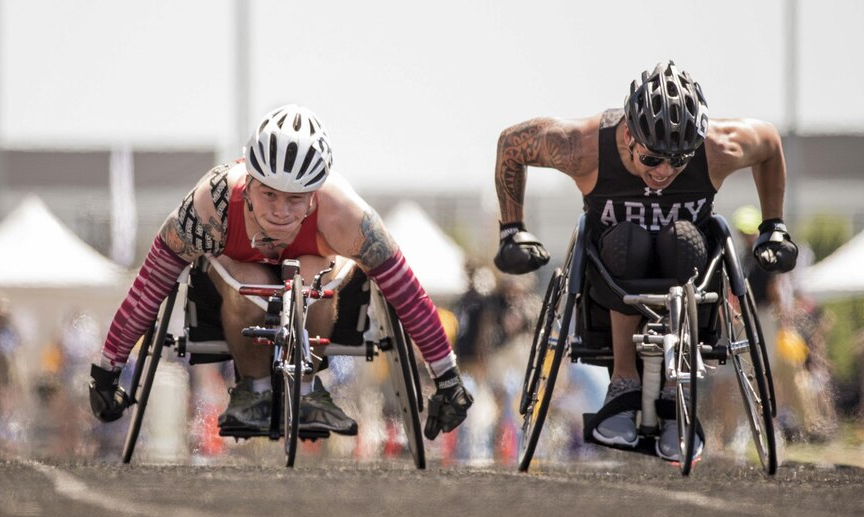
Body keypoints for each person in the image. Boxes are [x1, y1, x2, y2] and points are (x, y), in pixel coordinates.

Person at [89, 104, 472, 441]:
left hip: (316, 273)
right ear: (249, 181)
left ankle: (307, 389)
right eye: (269, 194)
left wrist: (448, 379)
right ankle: (253, 389)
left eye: (294, 200)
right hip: (236, 284)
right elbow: (148, 288)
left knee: (312, 274)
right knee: (251, 280)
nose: (280, 212)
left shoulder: (344, 213)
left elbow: (407, 293)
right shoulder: (210, 207)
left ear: (314, 196)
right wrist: (106, 372)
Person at [493, 61, 798, 462]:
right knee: (627, 238)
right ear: (628, 136)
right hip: (612, 277)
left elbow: (770, 143)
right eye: (653, 159)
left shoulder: (718, 147)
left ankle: (676, 391)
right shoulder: (585, 145)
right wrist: (512, 229)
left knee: (684, 239)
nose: (665, 172)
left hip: (689, 277)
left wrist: (774, 226)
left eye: (679, 160)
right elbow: (512, 144)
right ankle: (623, 380)